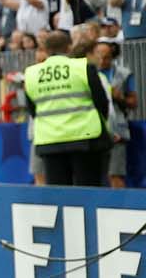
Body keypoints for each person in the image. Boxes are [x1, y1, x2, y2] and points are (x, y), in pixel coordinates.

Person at [23, 29, 111, 188]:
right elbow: (102, 102)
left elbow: (33, 110)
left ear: (46, 49)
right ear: (69, 47)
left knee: (60, 196)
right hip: (86, 139)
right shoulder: (83, 67)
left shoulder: (31, 74)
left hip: (50, 142)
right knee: (88, 192)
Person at [92, 38, 134, 188]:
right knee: (92, 176)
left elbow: (133, 103)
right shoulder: (87, 73)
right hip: (92, 131)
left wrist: (120, 97)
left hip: (117, 131)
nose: (102, 61)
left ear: (113, 56)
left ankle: (120, 209)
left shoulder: (124, 74)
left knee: (115, 174)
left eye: (107, 57)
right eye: (99, 56)